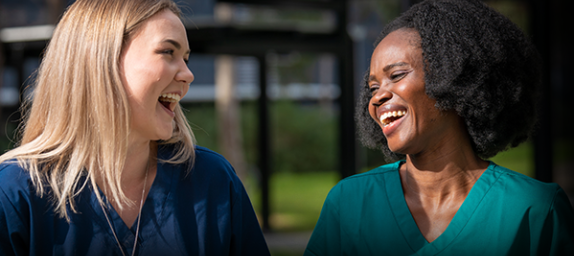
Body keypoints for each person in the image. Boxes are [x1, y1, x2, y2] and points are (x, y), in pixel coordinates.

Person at [0, 0, 270, 255]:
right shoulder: (13, 195)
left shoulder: (213, 182)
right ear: (100, 62)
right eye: (168, 52)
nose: (188, 74)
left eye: (185, 58)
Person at [305, 0, 574, 255]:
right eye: (373, 87)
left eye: (396, 75)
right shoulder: (349, 203)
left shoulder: (534, 210)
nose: (377, 97)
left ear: (455, 76)